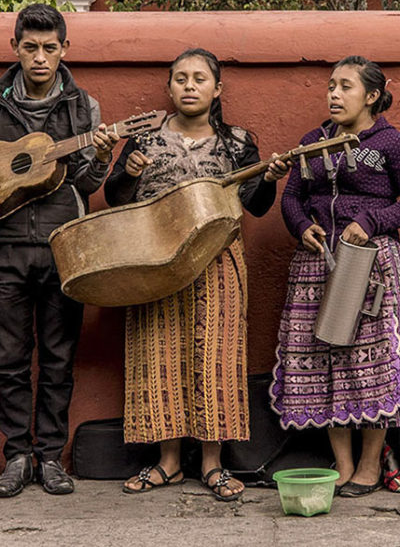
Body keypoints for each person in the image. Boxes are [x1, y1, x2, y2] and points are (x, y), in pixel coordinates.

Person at [0, 4, 121, 497]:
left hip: (64, 247)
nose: (40, 57)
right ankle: (16, 457)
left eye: (49, 48)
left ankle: (50, 458)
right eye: (30, 47)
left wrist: (100, 154)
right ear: (15, 47)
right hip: (5, 247)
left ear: (64, 49)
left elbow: (87, 182)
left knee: (59, 358)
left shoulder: (84, 108)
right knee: (10, 359)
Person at [104, 47, 288, 502]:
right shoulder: (143, 139)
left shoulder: (238, 143)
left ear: (217, 89)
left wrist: (268, 178)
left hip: (218, 261)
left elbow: (257, 206)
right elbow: (114, 198)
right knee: (158, 353)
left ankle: (212, 464)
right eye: (181, 78)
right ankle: (167, 463)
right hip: (155, 263)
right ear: (168, 88)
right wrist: (127, 173)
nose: (189, 85)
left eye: (199, 78)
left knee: (216, 358)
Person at [270, 56, 400, 497]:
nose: (334, 95)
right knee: (323, 358)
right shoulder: (313, 141)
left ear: (372, 96)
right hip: (316, 263)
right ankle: (341, 463)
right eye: (331, 86)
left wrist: (373, 221)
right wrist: (302, 226)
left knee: (370, 362)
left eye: (345, 87)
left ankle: (369, 464)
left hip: (370, 262)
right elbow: (292, 200)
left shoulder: (391, 143)